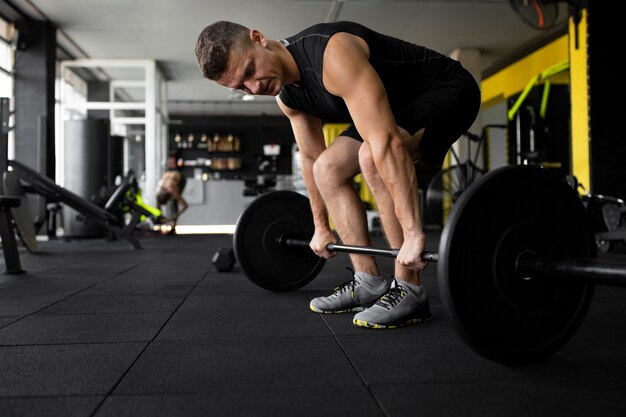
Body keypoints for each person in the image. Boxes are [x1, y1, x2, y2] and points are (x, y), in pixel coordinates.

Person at [194, 21, 480, 328]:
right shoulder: (287, 96)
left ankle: (410, 290)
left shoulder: (332, 54)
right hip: (393, 106)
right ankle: (368, 281)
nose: (254, 87)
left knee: (370, 155)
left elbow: (385, 143)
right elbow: (312, 157)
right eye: (241, 87)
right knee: (327, 169)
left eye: (250, 71)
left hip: (447, 89)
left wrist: (413, 234)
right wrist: (320, 226)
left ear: (258, 39)